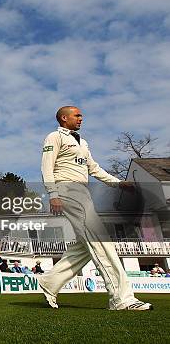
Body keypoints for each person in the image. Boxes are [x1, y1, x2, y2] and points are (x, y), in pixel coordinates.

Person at [38, 105, 151, 311]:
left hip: (83, 192)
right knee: (100, 241)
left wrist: (118, 183)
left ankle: (49, 281)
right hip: (67, 190)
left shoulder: (82, 142)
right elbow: (46, 166)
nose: (81, 118)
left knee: (86, 245)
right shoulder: (54, 137)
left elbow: (94, 168)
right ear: (64, 118)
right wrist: (53, 194)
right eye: (77, 115)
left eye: (81, 115)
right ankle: (121, 299)